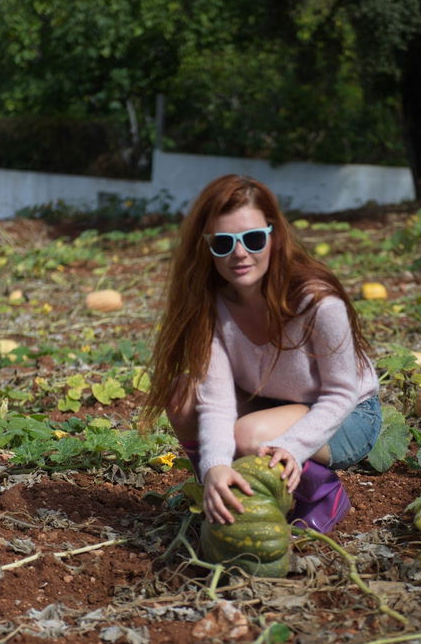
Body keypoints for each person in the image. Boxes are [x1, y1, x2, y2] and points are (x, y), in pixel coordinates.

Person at [141, 174, 381, 535]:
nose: (240, 253)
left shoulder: (316, 302)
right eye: (223, 243)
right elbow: (218, 402)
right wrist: (215, 467)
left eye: (252, 239)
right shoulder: (214, 305)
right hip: (272, 403)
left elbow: (341, 393)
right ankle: (227, 493)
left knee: (252, 435)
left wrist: (292, 446)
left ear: (274, 236)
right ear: (206, 247)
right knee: (183, 395)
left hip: (345, 416)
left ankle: (322, 493)